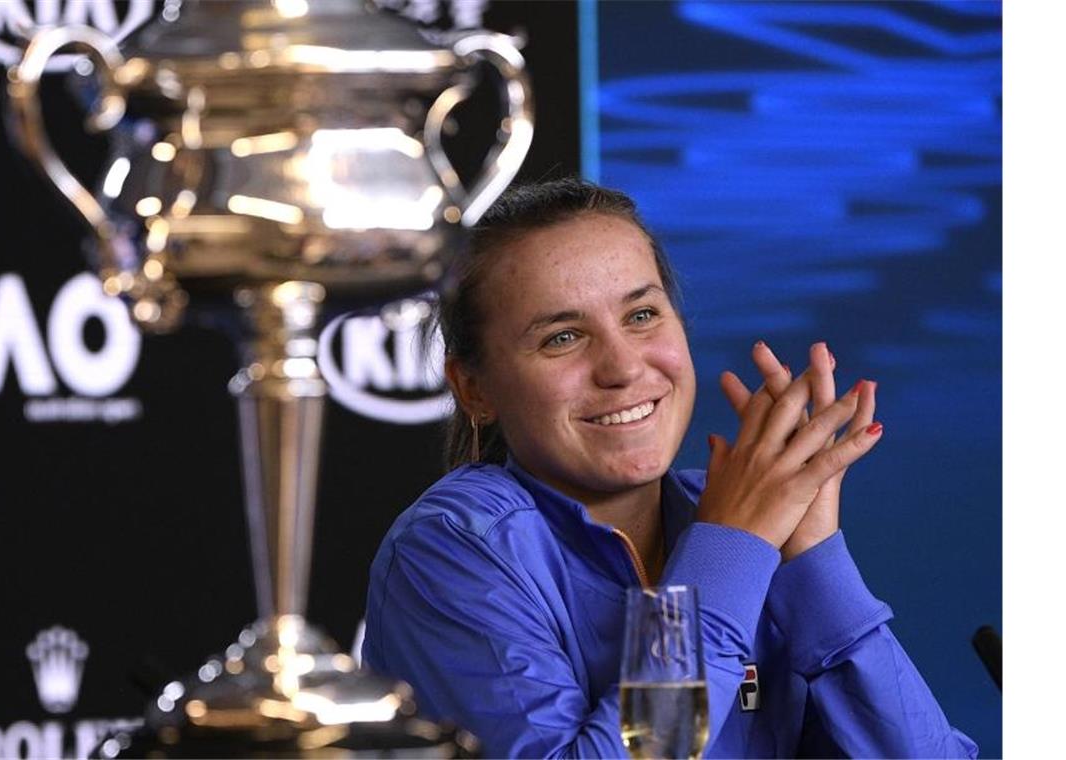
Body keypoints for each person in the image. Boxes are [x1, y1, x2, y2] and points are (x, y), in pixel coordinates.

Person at [361, 178, 977, 758]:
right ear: (474, 389)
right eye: (562, 338)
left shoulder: (738, 519)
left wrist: (811, 559)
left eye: (641, 315)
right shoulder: (452, 548)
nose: (623, 368)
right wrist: (729, 555)